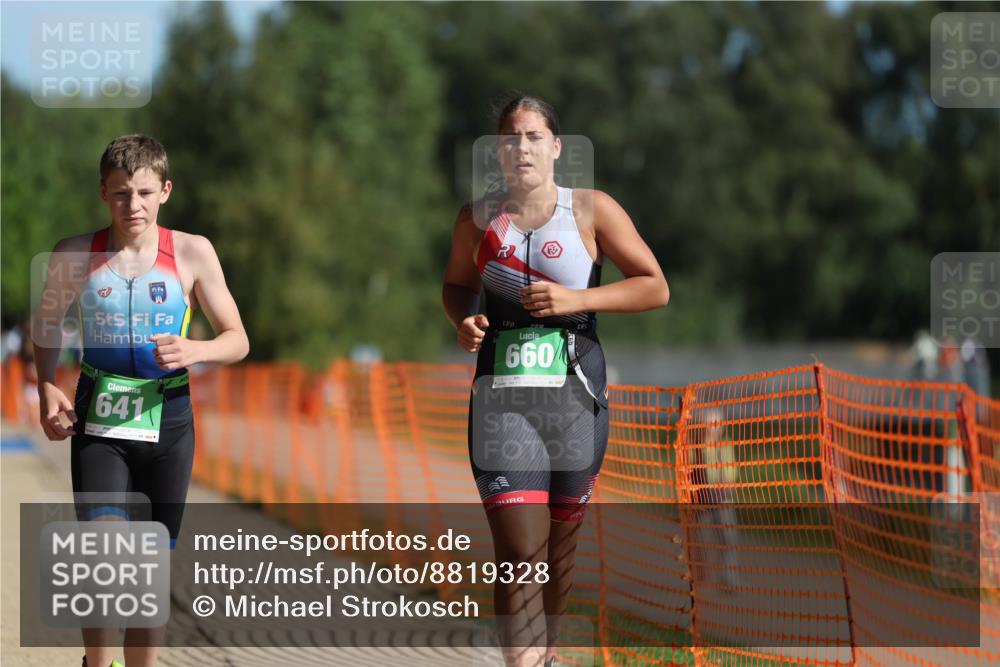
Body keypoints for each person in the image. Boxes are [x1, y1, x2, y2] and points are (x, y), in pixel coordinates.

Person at [442, 95, 669, 667]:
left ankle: (548, 655)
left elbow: (654, 286)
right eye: (511, 138)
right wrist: (463, 320)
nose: (522, 147)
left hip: (575, 394)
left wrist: (579, 298)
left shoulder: (590, 210)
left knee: (559, 549)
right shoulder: (475, 219)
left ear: (556, 147)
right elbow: (455, 287)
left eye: (534, 136)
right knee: (520, 549)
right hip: (501, 395)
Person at [32, 134, 249, 667]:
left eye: (145, 193)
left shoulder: (193, 251)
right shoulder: (74, 254)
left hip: (169, 421)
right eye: (123, 193)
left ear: (165, 191)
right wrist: (45, 383)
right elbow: (46, 326)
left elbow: (238, 338)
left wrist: (196, 348)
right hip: (100, 420)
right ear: (104, 192)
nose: (134, 205)